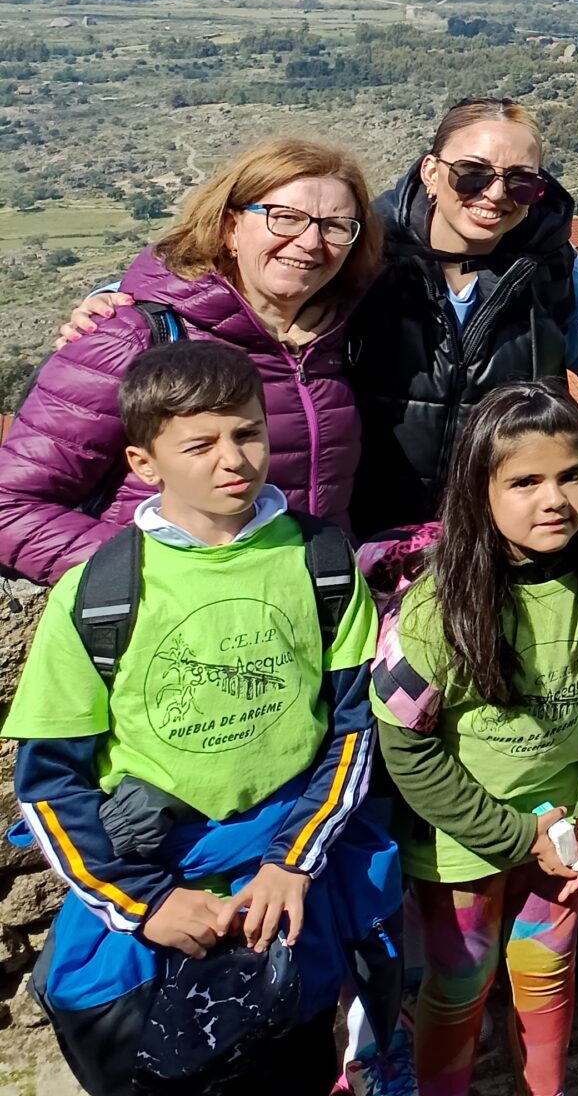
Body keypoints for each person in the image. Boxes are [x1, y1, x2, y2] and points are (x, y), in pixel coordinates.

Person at [4, 340, 392, 1096]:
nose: (234, 459)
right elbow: (49, 783)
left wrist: (293, 860)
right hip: (164, 891)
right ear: (144, 462)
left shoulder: (322, 564)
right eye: (200, 443)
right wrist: (146, 905)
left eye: (247, 432)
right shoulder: (101, 594)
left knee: (294, 1060)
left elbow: (352, 731)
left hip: (285, 890)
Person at [370, 383, 578, 1096]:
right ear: (481, 490)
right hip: (459, 839)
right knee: (461, 980)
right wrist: (512, 836)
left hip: (565, 827)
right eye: (524, 482)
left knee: (545, 969)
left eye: (571, 475)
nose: (553, 498)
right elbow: (406, 747)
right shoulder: (437, 608)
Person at [0, 137, 380, 583]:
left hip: (305, 618)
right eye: (286, 218)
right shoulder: (134, 339)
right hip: (172, 630)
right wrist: (167, 577)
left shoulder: (341, 339)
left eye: (337, 226)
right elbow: (12, 507)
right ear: (230, 228)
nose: (311, 242)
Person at [346, 99, 578, 536]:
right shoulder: (365, 258)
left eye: (520, 183)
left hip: (502, 546)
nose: (494, 195)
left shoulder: (552, 271)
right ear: (431, 173)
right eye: (472, 174)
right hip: (372, 539)